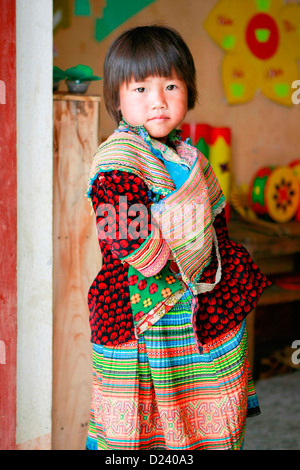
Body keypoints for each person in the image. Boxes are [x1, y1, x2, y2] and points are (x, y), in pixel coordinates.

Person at [85, 25, 270, 451]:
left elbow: (217, 220)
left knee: (201, 420)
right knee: (143, 432)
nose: (159, 100)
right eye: (141, 88)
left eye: (171, 84)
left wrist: (216, 269)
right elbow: (123, 231)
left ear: (189, 89)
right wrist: (172, 265)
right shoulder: (118, 156)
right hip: (140, 313)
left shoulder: (191, 156)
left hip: (199, 304)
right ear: (117, 99)